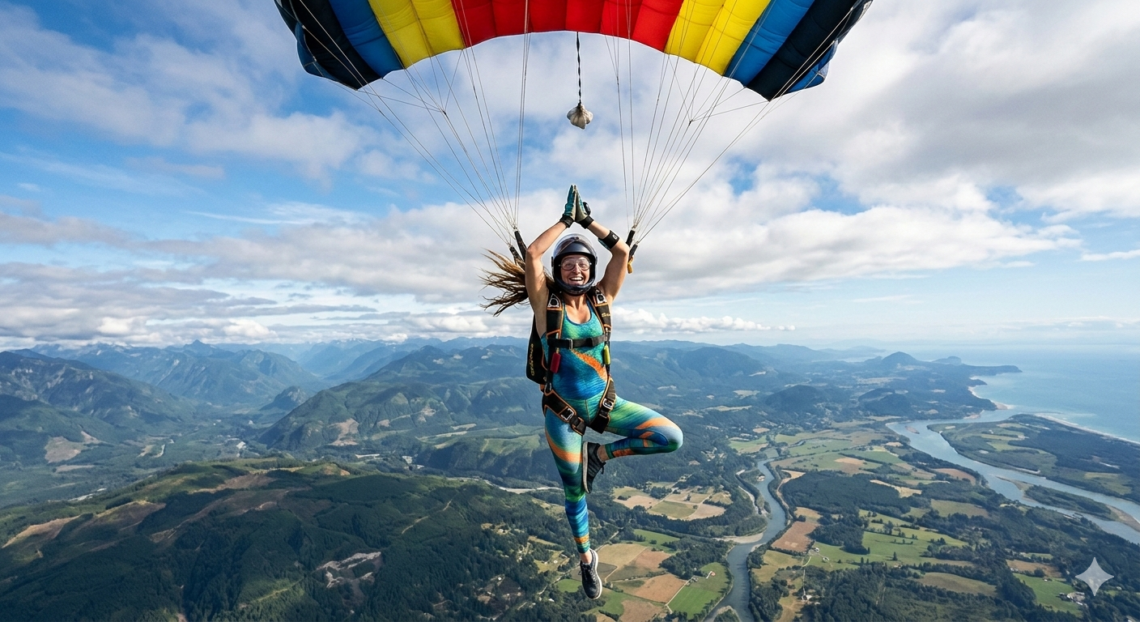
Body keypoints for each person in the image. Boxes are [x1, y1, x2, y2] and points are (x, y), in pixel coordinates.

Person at [520, 187, 684, 600]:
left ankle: (599, 455)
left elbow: (624, 255)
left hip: (605, 404)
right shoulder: (546, 304)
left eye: (583, 264)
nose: (577, 270)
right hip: (563, 414)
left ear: (591, 268)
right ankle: (587, 559)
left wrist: (589, 222)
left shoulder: (602, 298)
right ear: (559, 269)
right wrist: (565, 221)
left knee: (670, 438)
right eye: (569, 264)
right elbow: (531, 257)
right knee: (574, 493)